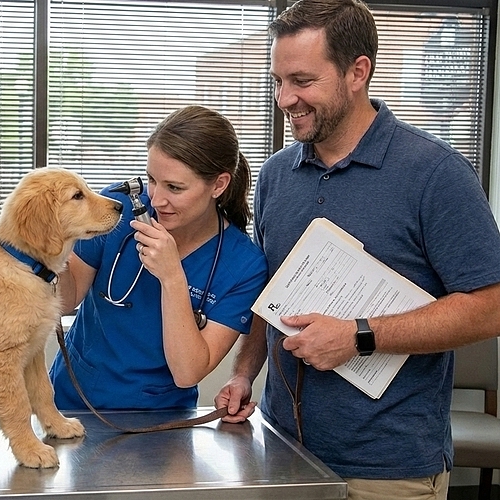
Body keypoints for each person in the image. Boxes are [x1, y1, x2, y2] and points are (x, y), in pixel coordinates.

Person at [213, 0, 500, 498]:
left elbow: (491, 307)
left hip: (388, 468)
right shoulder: (276, 175)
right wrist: (243, 374)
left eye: (302, 81)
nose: (285, 98)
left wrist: (360, 336)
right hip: (283, 451)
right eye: (278, 81)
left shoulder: (435, 174)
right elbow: (272, 293)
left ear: (357, 72)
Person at [49, 105, 268, 410]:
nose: (157, 198)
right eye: (152, 179)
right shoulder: (117, 209)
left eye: (175, 187)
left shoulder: (244, 266)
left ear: (219, 185)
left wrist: (171, 276)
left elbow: (187, 372)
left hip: (160, 422)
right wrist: (52, 245)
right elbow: (66, 301)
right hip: (71, 402)